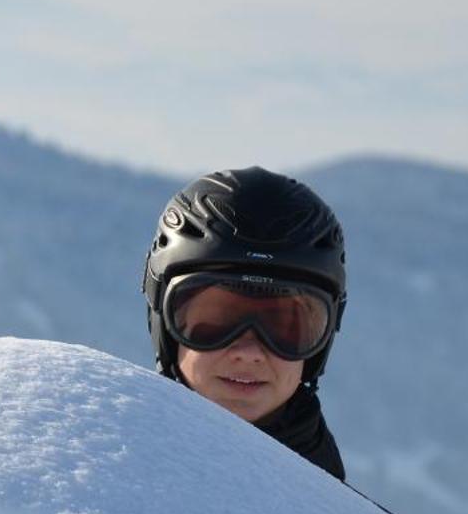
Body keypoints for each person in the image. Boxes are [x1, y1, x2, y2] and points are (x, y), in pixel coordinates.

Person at [142, 167, 348, 480]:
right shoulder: (96, 482)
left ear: (318, 347)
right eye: (218, 322)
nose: (249, 352)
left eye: (283, 326)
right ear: (166, 328)